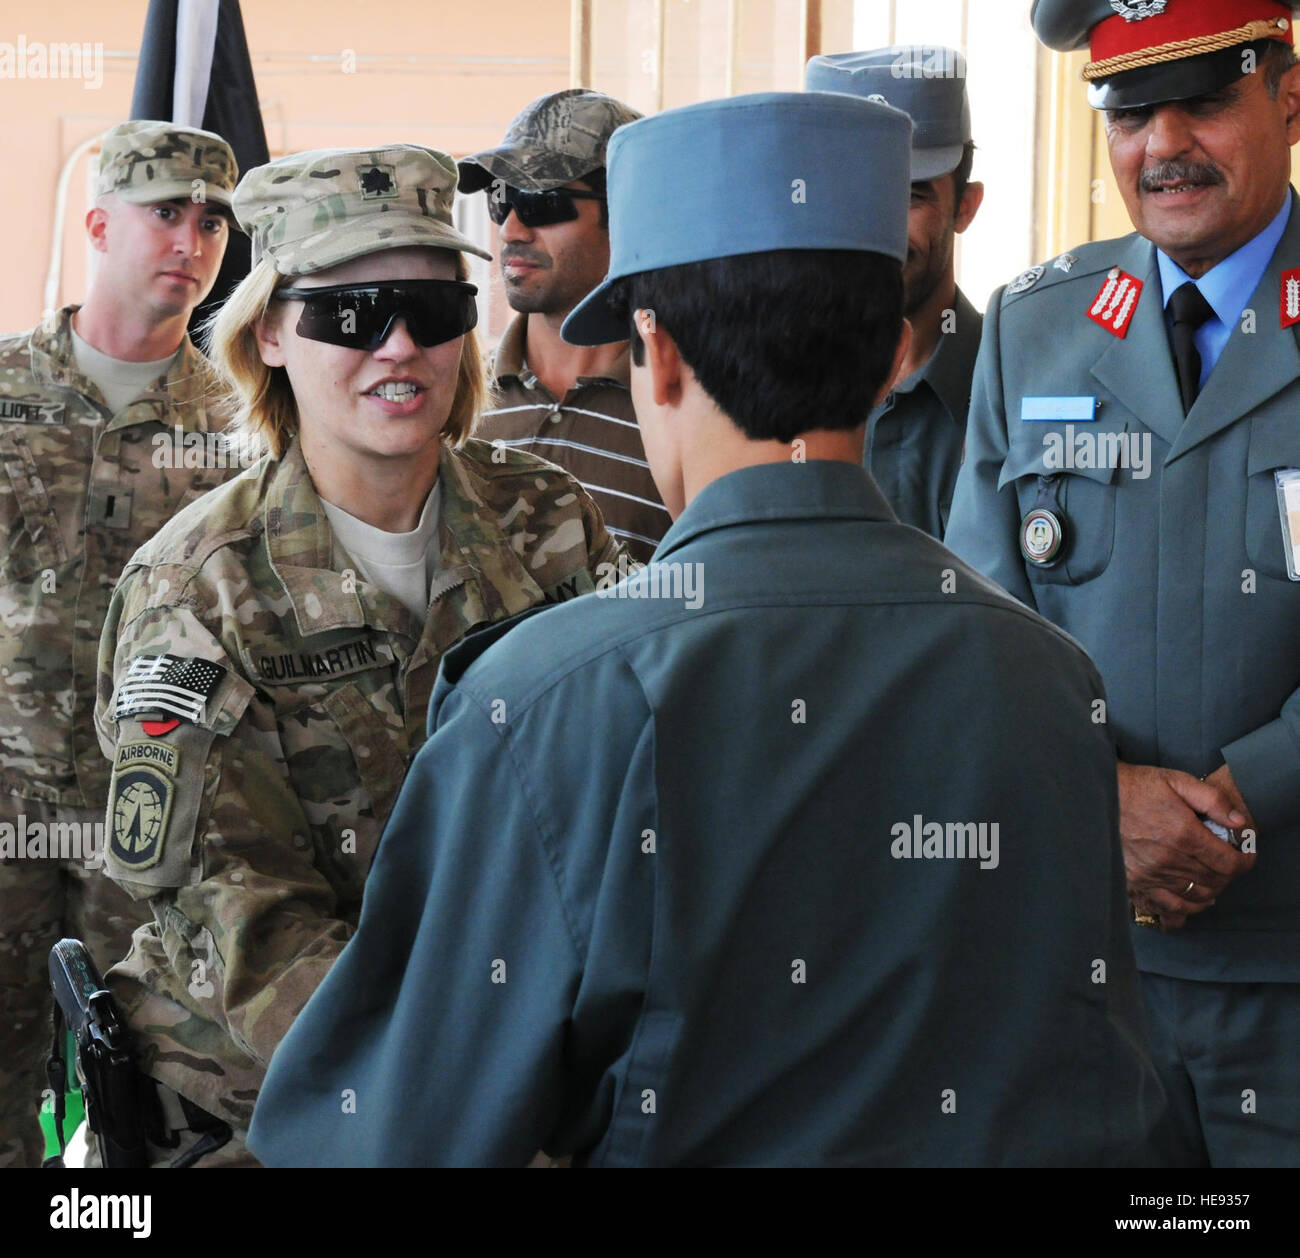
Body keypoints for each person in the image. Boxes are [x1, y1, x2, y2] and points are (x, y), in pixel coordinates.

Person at [248, 92, 1164, 1168]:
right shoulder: (1048, 680)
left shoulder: (548, 700)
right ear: (884, 361)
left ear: (659, 353)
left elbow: (392, 1134)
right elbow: (1106, 1094)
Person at [92, 143, 627, 1167]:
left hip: (529, 1073)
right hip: (271, 1104)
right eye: (349, 313)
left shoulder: (547, 522)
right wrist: (458, 1101)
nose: (398, 347)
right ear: (272, 335)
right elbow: (243, 921)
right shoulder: (197, 591)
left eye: (432, 312)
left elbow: (618, 807)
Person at [946, 0, 1300, 1167]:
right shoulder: (1036, 326)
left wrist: (1247, 794)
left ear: (1287, 98)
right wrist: (1098, 796)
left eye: (1202, 99)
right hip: (1083, 969)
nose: (1162, 146)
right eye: (1130, 111)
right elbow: (975, 632)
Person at [0, 120, 242, 1168]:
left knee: (134, 1077)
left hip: (147, 814)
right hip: (5, 797)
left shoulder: (238, 422)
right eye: (166, 213)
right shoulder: (6, 392)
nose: (191, 239)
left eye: (212, 219)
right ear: (100, 224)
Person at [460, 89, 669, 563]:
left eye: (540, 201)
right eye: (500, 199)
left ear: (627, 213)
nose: (511, 229)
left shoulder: (685, 408)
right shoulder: (454, 398)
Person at [806, 46, 985, 538]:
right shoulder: (766, 384)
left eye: (910, 195)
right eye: (846, 194)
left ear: (966, 207)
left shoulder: (1013, 391)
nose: (873, 227)